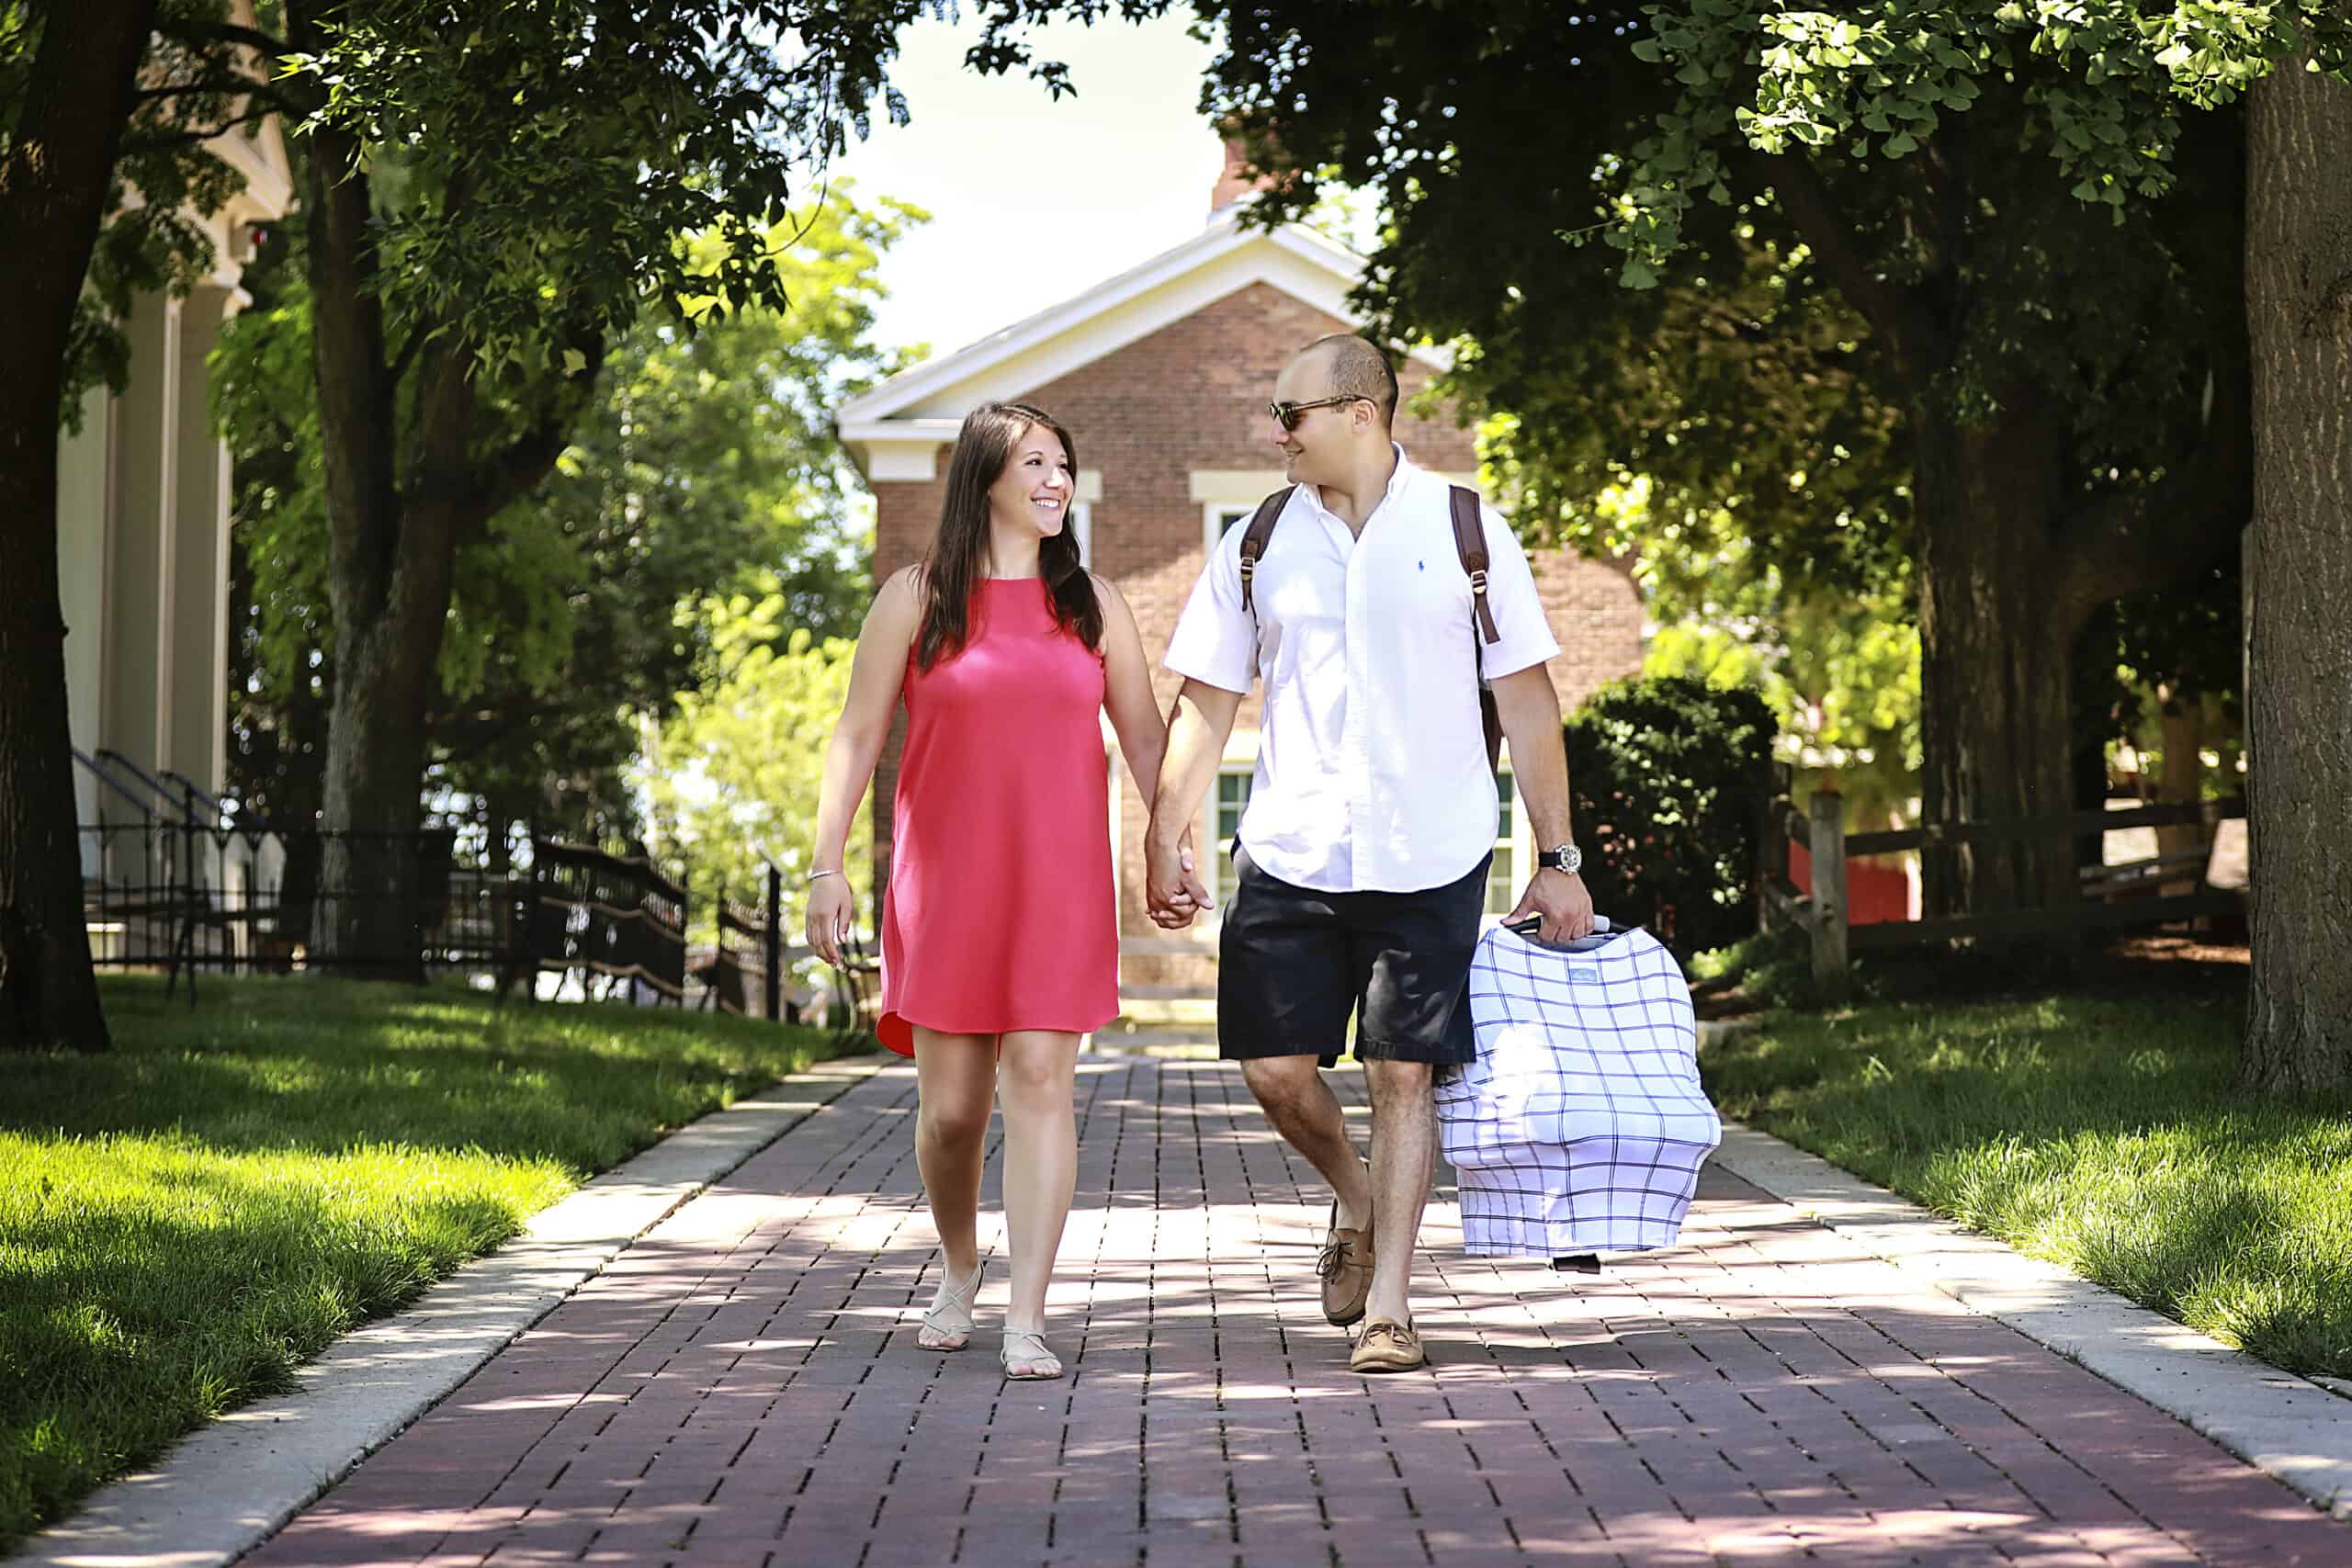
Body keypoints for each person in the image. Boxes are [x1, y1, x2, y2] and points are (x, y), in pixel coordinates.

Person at [1144, 335, 1594, 1373]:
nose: (1276, 432)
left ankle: (1390, 1302)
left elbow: (1525, 699)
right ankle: (1353, 1193)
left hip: (1429, 847)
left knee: (1403, 1074)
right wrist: (1163, 831)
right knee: (1272, 1073)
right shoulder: (1258, 539)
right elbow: (1207, 697)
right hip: (1292, 847)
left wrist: (1557, 855)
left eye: (1289, 414)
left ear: (1360, 411)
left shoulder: (1463, 526)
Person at [805, 400, 1194, 1380]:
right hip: (943, 883)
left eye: (1062, 464)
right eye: (1032, 464)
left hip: (1057, 881)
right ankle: (959, 1263)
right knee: (950, 1115)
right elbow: (856, 736)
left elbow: (1147, 738)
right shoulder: (916, 596)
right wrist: (825, 863)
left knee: (1039, 1080)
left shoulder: (1094, 605)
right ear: (981, 479)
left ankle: (1027, 1313)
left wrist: (1172, 838)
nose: (1054, 481)